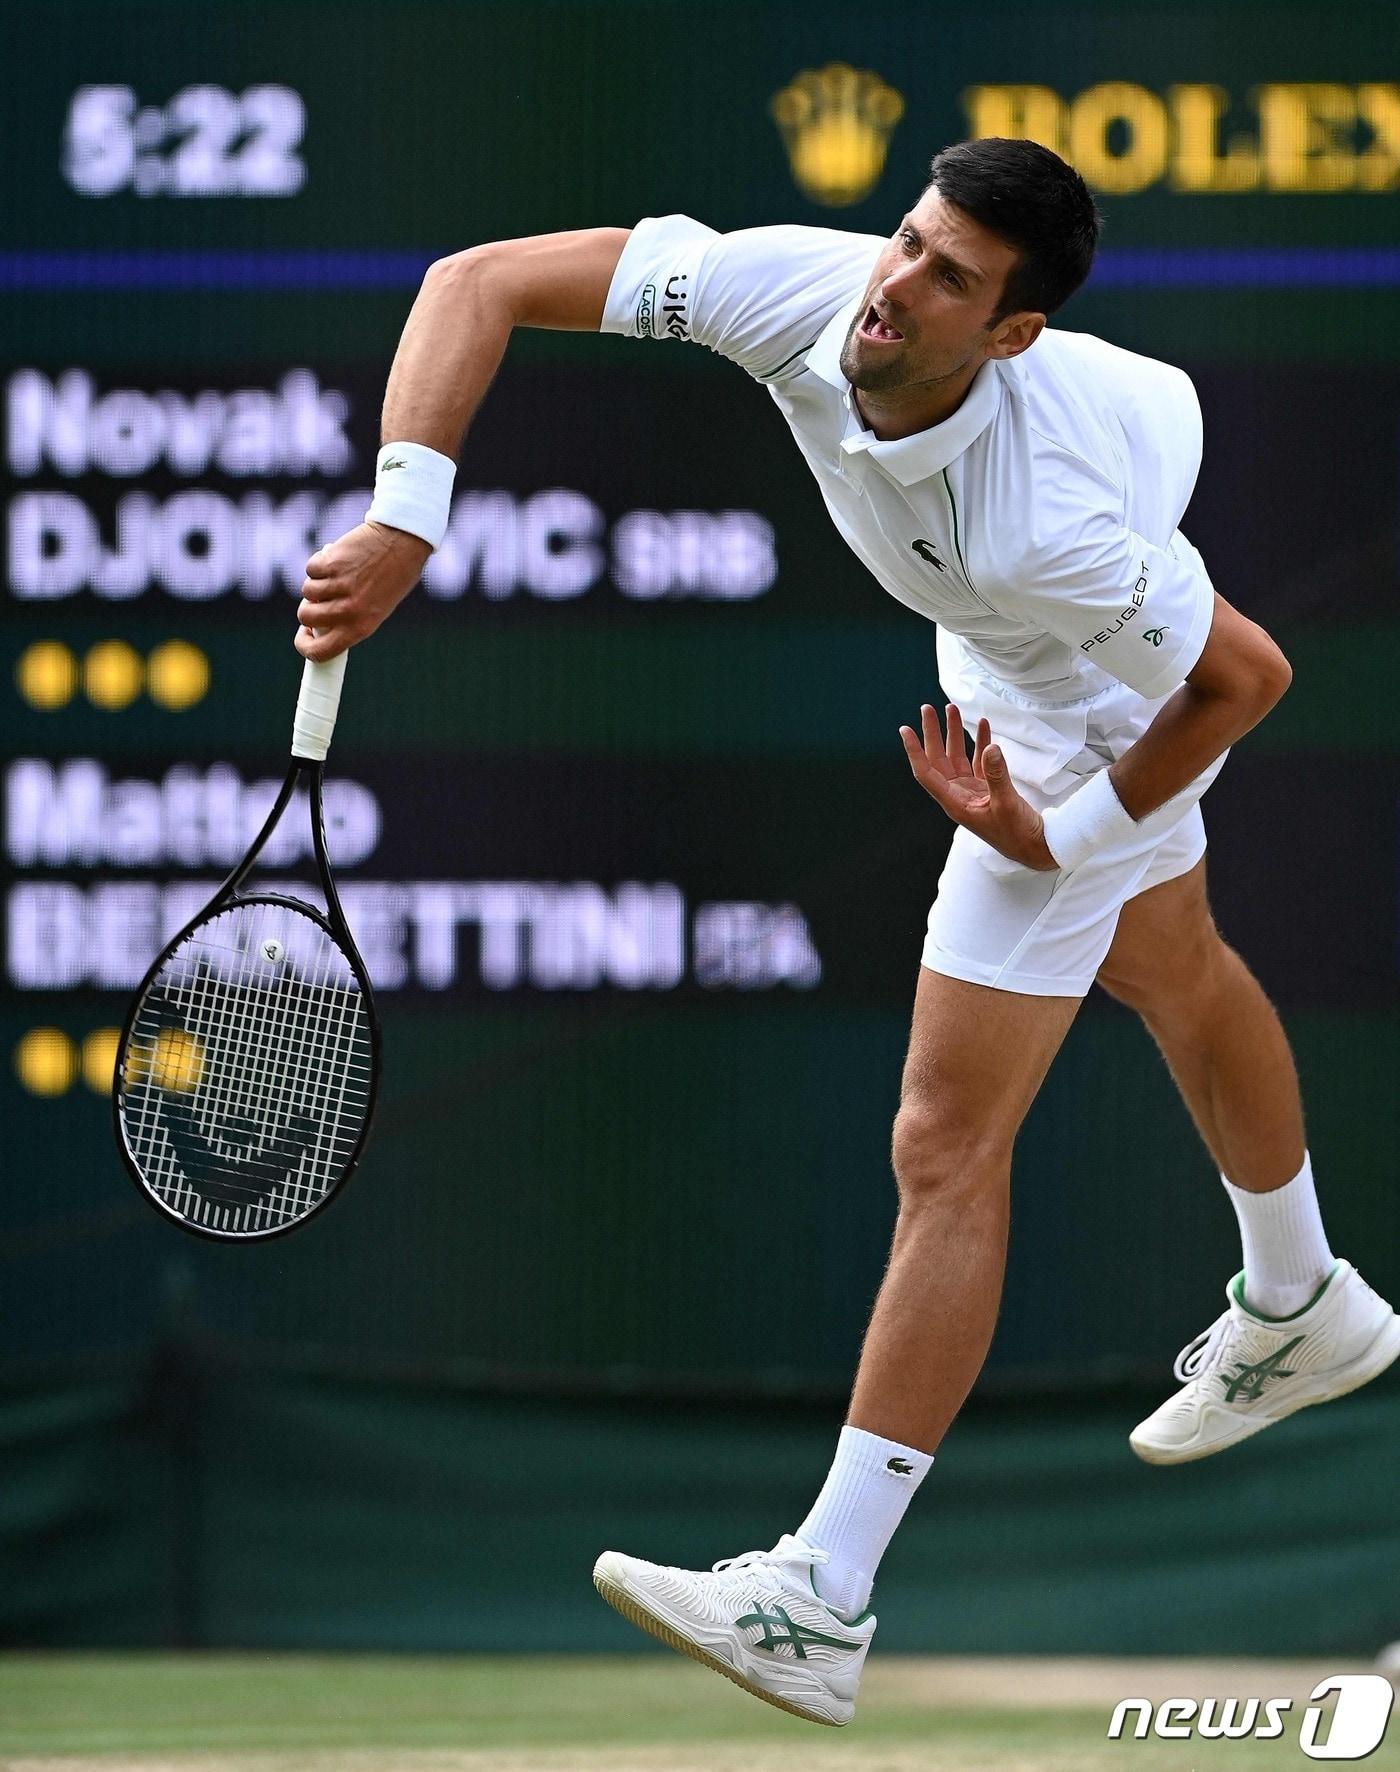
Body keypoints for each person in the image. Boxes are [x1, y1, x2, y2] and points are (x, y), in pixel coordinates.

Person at [297, 136, 1400, 1728]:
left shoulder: (1050, 526)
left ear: (1008, 332)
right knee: (1172, 967)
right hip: (1020, 610)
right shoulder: (809, 296)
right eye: (908, 240)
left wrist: (1065, 829)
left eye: (949, 278)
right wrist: (409, 518)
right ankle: (1306, 1301)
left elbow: (1243, 681)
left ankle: (823, 1593)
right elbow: (477, 280)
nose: (896, 283)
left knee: (945, 1139)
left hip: (1087, 699)